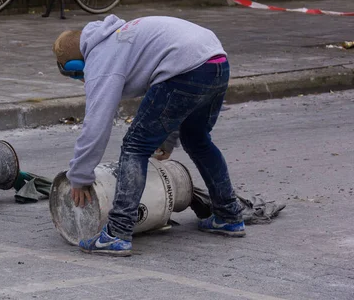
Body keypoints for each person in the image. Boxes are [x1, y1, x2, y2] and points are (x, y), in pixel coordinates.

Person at [52, 14, 244, 257]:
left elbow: (96, 125)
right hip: (216, 62)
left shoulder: (100, 59)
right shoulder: (117, 37)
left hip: (185, 70)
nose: (81, 80)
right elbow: (171, 78)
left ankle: (118, 233)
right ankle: (228, 215)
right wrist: (167, 138)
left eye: (76, 76)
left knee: (135, 146)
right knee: (197, 139)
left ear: (75, 67)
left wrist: (79, 175)